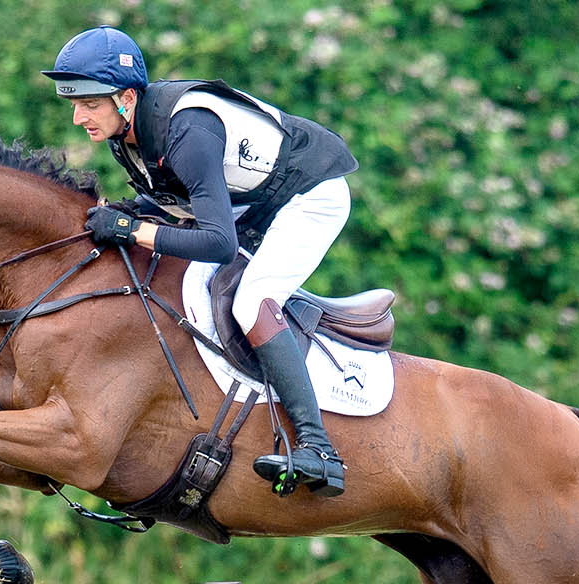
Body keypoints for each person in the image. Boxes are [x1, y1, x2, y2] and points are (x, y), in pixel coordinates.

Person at [43, 26, 357, 497]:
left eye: (89, 104)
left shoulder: (188, 131)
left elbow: (217, 244)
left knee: (253, 300)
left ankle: (320, 450)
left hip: (310, 194)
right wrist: (129, 214)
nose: (77, 118)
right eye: (74, 104)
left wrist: (132, 230)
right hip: (254, 205)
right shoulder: (125, 133)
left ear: (127, 98)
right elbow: (177, 205)